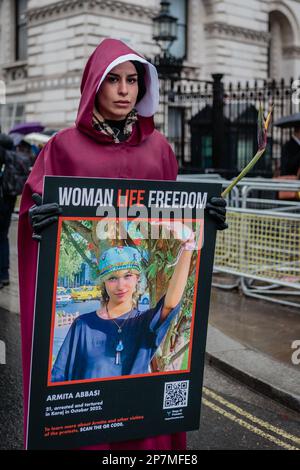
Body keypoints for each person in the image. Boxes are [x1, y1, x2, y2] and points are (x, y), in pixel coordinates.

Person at [19, 38, 227, 450]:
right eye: (112, 79)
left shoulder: (160, 150)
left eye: (132, 80)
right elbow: (35, 210)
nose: (124, 90)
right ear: (94, 84)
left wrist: (205, 218)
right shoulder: (63, 147)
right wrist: (34, 219)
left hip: (140, 401)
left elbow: (173, 222)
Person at [52, 232, 194, 382]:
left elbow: (171, 304)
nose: (121, 286)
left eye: (128, 276)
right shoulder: (83, 325)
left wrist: (188, 248)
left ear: (137, 279)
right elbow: (59, 376)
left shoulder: (145, 324)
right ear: (104, 282)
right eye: (112, 278)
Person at [0, 133, 31, 288]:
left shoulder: (3, 155)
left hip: (1, 198)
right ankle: (4, 274)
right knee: (3, 236)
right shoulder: (16, 157)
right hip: (10, 198)